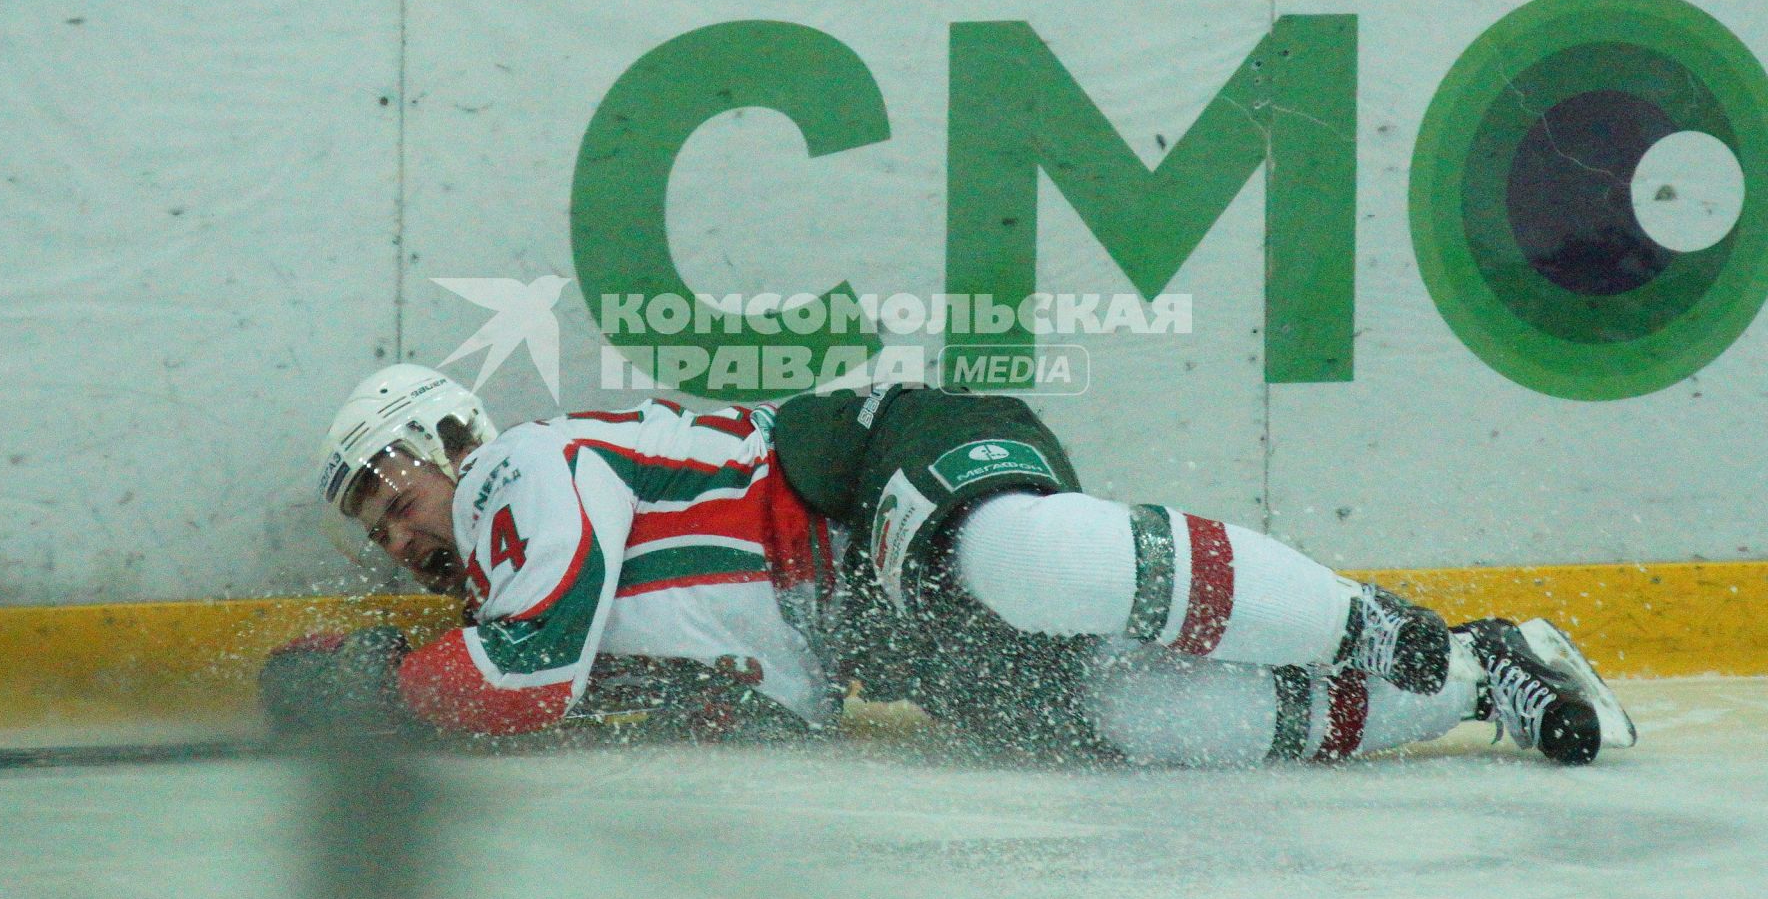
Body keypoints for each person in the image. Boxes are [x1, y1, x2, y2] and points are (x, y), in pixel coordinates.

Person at [266, 363, 1635, 767]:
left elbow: (522, 679)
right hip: (880, 643)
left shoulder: (519, 476)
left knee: (1019, 558)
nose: (395, 533)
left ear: (455, 437)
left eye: (391, 484)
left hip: (862, 482)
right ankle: (1473, 676)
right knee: (1131, 717)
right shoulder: (503, 577)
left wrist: (382, 681)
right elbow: (757, 698)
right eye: (371, 524)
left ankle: (1366, 625)